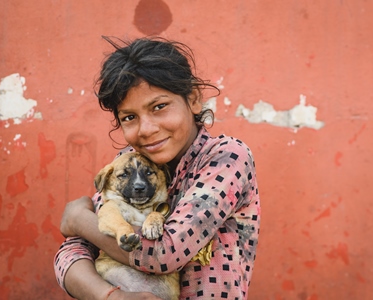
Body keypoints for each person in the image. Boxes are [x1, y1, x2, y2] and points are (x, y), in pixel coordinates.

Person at [54, 36, 261, 300]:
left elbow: (164, 254)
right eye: (129, 117)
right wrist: (111, 297)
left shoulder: (226, 157)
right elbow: (69, 256)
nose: (147, 129)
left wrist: (78, 220)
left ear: (194, 99)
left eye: (159, 106)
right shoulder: (130, 160)